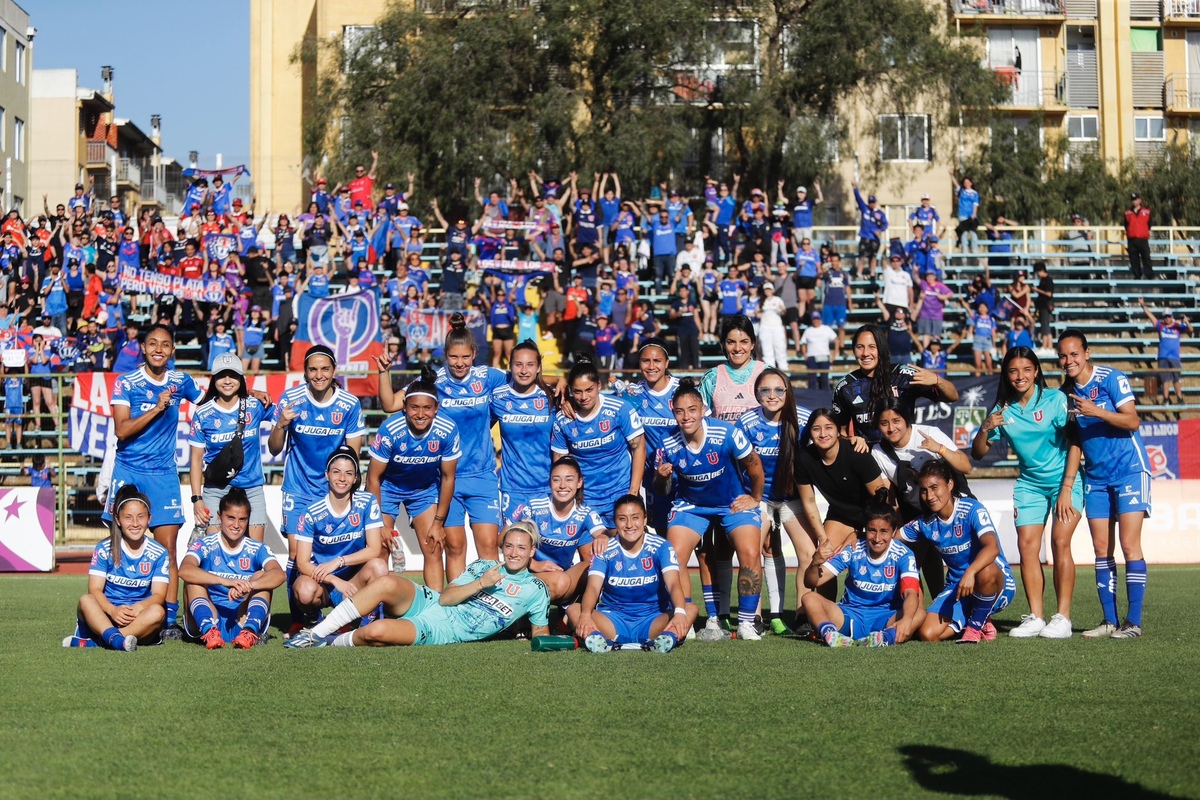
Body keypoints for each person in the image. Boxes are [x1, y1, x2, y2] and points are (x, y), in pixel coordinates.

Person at [285, 521, 551, 648]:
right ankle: (314, 633)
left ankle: (327, 642)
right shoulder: (484, 567)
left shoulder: (536, 590)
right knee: (386, 583)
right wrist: (482, 583)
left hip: (444, 629)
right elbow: (446, 597)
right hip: (433, 601)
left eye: (521, 548)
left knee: (376, 632)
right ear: (502, 548)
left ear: (531, 552)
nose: (514, 553)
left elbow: (541, 632)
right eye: (509, 546)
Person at [972, 346, 1081, 639]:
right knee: (1027, 546)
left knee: (1059, 542)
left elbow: (1075, 443)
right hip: (1029, 484)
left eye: (1026, 370)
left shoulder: (1056, 399)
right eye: (1013, 371)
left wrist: (1066, 489)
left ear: (1036, 372)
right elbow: (978, 453)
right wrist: (985, 428)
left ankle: (1063, 618)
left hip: (1065, 482)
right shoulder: (1002, 410)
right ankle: (1036, 617)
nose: (1020, 376)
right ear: (1006, 375)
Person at [104, 324, 203, 638]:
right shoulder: (126, 383)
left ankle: (168, 621)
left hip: (163, 475)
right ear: (143, 348)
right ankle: (109, 612)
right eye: (153, 344)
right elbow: (121, 430)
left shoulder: (180, 381)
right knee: (117, 546)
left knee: (169, 550)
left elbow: (212, 398)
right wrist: (157, 409)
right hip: (129, 471)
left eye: (165, 344)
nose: (159, 349)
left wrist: (248, 393)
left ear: (173, 350)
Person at [1057, 329, 1150, 639]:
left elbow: (1133, 421)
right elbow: (1075, 443)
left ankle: (1133, 623)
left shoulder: (1111, 378)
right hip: (1096, 478)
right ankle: (1109, 621)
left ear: (1087, 353)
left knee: (1129, 545)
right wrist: (1068, 485)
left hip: (1129, 471)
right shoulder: (1067, 393)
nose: (1068, 360)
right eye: (1063, 355)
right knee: (1100, 549)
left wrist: (1096, 411)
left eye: (1073, 354)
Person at [656, 378, 765, 641]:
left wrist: (755, 497)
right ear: (673, 410)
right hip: (692, 506)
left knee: (750, 551)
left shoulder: (725, 432)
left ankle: (747, 623)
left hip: (732, 503)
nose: (686, 416)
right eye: (680, 411)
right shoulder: (667, 443)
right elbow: (661, 489)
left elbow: (755, 466)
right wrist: (661, 477)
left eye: (692, 409)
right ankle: (685, 616)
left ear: (703, 408)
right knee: (672, 555)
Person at [268, 343, 365, 632]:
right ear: (305, 371)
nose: (319, 374)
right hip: (297, 490)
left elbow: (353, 455)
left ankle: (343, 613)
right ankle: (301, 617)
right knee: (297, 554)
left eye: (325, 369)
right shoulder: (292, 399)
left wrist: (346, 490)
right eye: (313, 369)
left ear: (334, 371)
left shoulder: (349, 404)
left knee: (335, 552)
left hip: (332, 492)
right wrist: (281, 424)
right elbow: (274, 449)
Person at [899, 461, 1017, 644]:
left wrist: (970, 572)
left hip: (994, 582)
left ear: (950, 484)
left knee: (985, 571)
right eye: (924, 490)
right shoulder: (925, 523)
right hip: (958, 586)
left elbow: (992, 547)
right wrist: (857, 537)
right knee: (927, 634)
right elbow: (889, 538)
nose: (929, 496)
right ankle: (977, 618)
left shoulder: (971, 509)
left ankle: (975, 627)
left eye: (934, 487)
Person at [366, 365, 461, 591]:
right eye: (414, 407)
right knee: (380, 549)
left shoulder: (448, 430)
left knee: (434, 546)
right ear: (405, 408)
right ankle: (376, 610)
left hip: (423, 490)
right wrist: (378, 522)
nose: (420, 414)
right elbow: (373, 479)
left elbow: (448, 478)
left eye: (427, 408)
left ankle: (435, 610)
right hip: (387, 488)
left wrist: (438, 522)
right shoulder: (390, 429)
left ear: (437, 408)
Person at [568, 494, 697, 653]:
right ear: (615, 522)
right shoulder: (604, 549)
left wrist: (678, 612)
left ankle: (667, 637)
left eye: (635, 518)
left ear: (644, 520)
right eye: (622, 519)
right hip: (613, 620)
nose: (629, 525)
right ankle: (598, 640)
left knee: (689, 609)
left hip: (652, 619)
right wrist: (586, 614)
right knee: (574, 610)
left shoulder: (661, 546)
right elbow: (593, 587)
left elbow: (673, 584)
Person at [740, 367, 816, 634]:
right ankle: (753, 616)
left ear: (788, 392)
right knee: (751, 553)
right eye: (766, 390)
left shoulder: (805, 419)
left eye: (779, 389)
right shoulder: (746, 421)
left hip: (792, 499)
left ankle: (803, 615)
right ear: (757, 393)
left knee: (808, 553)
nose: (772, 395)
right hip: (758, 499)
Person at [801, 504, 925, 648]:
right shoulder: (853, 549)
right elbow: (811, 582)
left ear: (894, 531)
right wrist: (815, 563)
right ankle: (831, 634)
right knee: (809, 598)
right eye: (872, 530)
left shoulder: (904, 554)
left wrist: (907, 620)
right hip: (850, 615)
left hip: (885, 617)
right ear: (865, 529)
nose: (877, 538)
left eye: (884, 531)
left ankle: (885, 637)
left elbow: (911, 593)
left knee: (919, 613)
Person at [178, 488, 285, 649]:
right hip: (208, 617)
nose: (236, 525)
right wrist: (226, 581)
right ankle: (210, 632)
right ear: (219, 516)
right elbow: (184, 570)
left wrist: (249, 585)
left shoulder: (257, 548)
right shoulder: (205, 544)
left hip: (240, 617)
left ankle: (249, 631)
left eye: (242, 519)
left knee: (261, 576)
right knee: (193, 579)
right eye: (231, 518)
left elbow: (279, 575)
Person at [292, 447, 390, 620]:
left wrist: (339, 562)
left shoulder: (367, 502)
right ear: (326, 474)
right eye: (336, 472)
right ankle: (315, 617)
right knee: (305, 592)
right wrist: (335, 580)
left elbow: (374, 549)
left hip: (354, 582)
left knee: (379, 566)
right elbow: (302, 563)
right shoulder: (310, 512)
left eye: (349, 473)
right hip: (322, 582)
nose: (342, 478)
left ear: (355, 478)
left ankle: (369, 618)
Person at [64, 485, 167, 650]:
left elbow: (159, 595)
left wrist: (138, 608)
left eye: (140, 517)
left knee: (158, 611)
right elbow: (95, 589)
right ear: (118, 520)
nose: (135, 523)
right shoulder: (104, 548)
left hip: (136, 617)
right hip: (105, 614)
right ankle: (116, 639)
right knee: (86, 600)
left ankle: (105, 640)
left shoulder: (159, 553)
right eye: (128, 517)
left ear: (149, 519)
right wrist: (112, 610)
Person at [552, 356, 646, 527]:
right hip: (585, 499)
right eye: (578, 391)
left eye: (589, 390)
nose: (584, 397)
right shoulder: (562, 420)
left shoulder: (620, 409)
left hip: (620, 492)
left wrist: (633, 491)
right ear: (571, 391)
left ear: (599, 386)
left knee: (620, 550)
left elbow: (639, 447)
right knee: (591, 553)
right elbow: (559, 462)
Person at [188, 353, 272, 542]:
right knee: (214, 550)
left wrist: (253, 392)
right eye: (221, 375)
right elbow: (195, 459)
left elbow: (284, 415)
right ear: (214, 379)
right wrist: (197, 499)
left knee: (254, 550)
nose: (227, 381)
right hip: (217, 488)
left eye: (233, 375)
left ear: (241, 379)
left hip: (252, 486)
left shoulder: (255, 405)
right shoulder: (203, 413)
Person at [792, 409, 890, 570]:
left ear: (838, 431)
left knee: (878, 563)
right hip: (841, 516)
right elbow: (809, 502)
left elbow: (881, 498)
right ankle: (823, 597)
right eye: (816, 429)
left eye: (829, 427)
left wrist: (861, 532)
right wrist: (822, 539)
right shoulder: (803, 459)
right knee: (823, 561)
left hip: (873, 514)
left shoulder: (857, 453)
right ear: (810, 432)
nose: (823, 434)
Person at [832, 324, 958, 449]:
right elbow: (840, 432)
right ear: (853, 349)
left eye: (872, 347)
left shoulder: (903, 375)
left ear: (881, 348)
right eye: (860, 347)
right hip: (868, 460)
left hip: (906, 456)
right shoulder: (845, 387)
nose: (865, 353)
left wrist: (937, 380)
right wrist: (850, 440)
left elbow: (953, 397)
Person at [610, 338, 678, 535]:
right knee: (661, 532)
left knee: (692, 544)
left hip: (683, 477)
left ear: (666, 362)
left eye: (657, 361)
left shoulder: (682, 390)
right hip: (651, 480)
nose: (651, 366)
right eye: (645, 361)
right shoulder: (633, 394)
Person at [520, 457, 607, 604]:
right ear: (550, 482)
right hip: (528, 572)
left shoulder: (585, 512)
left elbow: (603, 533)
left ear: (579, 482)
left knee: (595, 568)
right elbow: (504, 539)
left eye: (569, 479)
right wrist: (534, 564)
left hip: (562, 574)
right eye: (556, 479)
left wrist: (604, 537)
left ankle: (574, 609)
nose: (562, 485)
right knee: (560, 582)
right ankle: (522, 611)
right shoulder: (534, 505)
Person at [491, 340, 556, 524]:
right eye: (518, 364)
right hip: (512, 489)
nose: (524, 370)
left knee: (543, 551)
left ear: (538, 367)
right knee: (513, 549)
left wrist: (562, 381)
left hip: (547, 487)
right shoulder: (498, 397)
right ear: (510, 366)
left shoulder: (553, 396)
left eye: (530, 365)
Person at [1139, 298, 1189, 405]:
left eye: (1169, 316)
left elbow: (1190, 329)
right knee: (1165, 379)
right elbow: (1151, 317)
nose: (1167, 318)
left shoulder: (1178, 327)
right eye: (1165, 316)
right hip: (1163, 357)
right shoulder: (1161, 326)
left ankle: (1179, 398)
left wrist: (1186, 321)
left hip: (1175, 357)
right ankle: (1166, 399)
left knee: (1176, 378)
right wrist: (1143, 306)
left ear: (1172, 317)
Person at [800, 310, 838, 391]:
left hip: (824, 355)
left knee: (824, 377)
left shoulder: (826, 329)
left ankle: (824, 396)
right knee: (812, 378)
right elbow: (803, 343)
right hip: (811, 356)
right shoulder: (808, 330)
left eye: (817, 319)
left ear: (820, 319)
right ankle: (812, 397)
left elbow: (836, 340)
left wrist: (835, 354)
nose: (816, 321)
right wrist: (805, 355)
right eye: (814, 319)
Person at [1124, 192, 1152, 280]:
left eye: (1135, 199)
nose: (1134, 202)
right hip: (1132, 240)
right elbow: (1125, 225)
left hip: (1143, 239)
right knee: (1134, 259)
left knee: (1146, 258)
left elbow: (1149, 224)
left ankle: (1149, 275)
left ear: (1140, 200)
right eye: (1132, 200)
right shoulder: (1127, 213)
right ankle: (1137, 275)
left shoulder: (1147, 211)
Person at [968, 302, 997, 377]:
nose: (982, 309)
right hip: (978, 340)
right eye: (980, 307)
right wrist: (962, 301)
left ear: (987, 309)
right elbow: (969, 310)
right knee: (978, 364)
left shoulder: (991, 319)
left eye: (984, 307)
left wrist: (994, 345)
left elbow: (993, 332)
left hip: (987, 340)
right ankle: (978, 382)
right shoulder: (977, 317)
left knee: (989, 364)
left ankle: (991, 381)